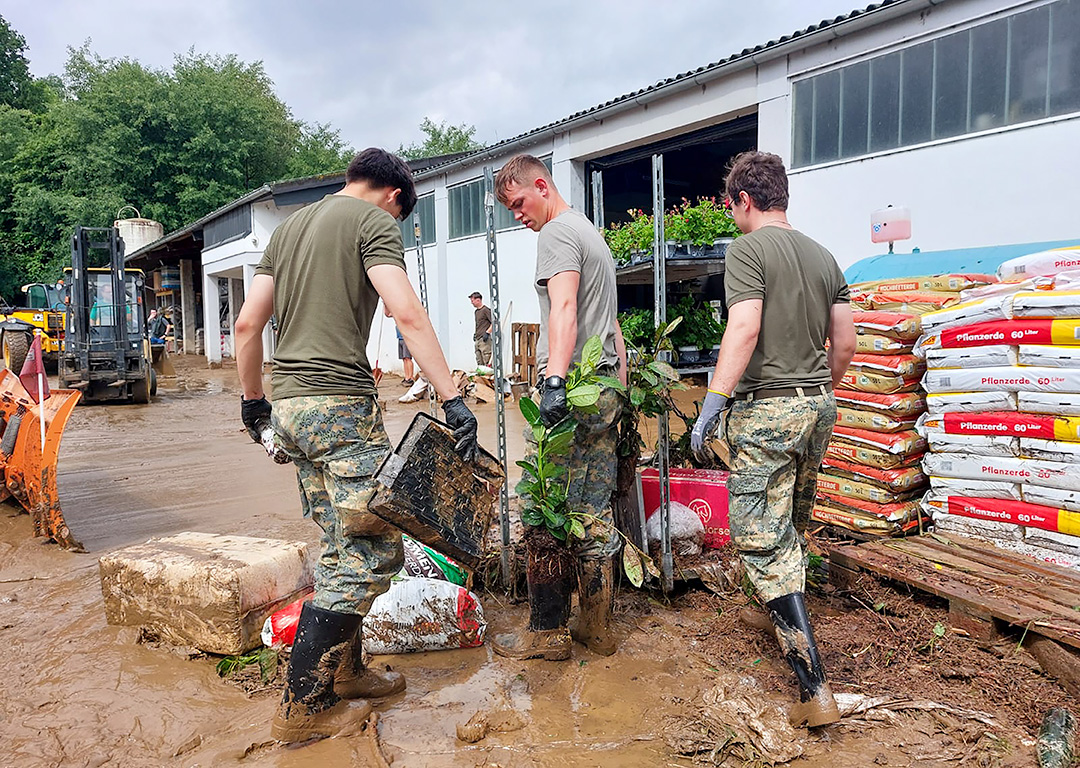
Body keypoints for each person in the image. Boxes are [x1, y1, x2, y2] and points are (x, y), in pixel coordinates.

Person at [234, 148, 479, 744]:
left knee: (341, 540)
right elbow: (407, 314)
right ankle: (304, 706)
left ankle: (345, 672)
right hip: (340, 407)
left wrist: (252, 402)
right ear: (395, 197)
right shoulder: (373, 223)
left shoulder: (288, 229)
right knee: (373, 550)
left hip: (289, 410)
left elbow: (246, 325)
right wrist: (451, 398)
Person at [689, 151, 856, 728]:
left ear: (744, 200)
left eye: (731, 206)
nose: (732, 216)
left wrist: (712, 403)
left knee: (760, 534)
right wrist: (817, 393)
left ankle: (814, 689)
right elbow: (846, 344)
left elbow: (745, 326)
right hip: (818, 404)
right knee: (792, 517)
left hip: (768, 408)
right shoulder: (824, 256)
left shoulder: (748, 249)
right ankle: (771, 608)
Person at [492, 154, 628, 661]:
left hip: (571, 388)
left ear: (542, 186)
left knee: (542, 505)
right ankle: (597, 627)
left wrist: (553, 381)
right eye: (509, 209)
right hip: (604, 386)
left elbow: (565, 308)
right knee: (591, 510)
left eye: (519, 202)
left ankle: (545, 634)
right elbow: (611, 325)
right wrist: (620, 385)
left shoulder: (556, 235)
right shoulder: (591, 233)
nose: (518, 215)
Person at [469, 292, 492, 366]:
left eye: (473, 301)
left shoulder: (486, 310)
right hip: (478, 339)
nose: (471, 303)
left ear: (478, 300)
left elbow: (494, 323)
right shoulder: (476, 312)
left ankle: (488, 376)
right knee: (479, 359)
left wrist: (487, 333)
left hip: (484, 339)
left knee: (486, 358)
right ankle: (481, 376)